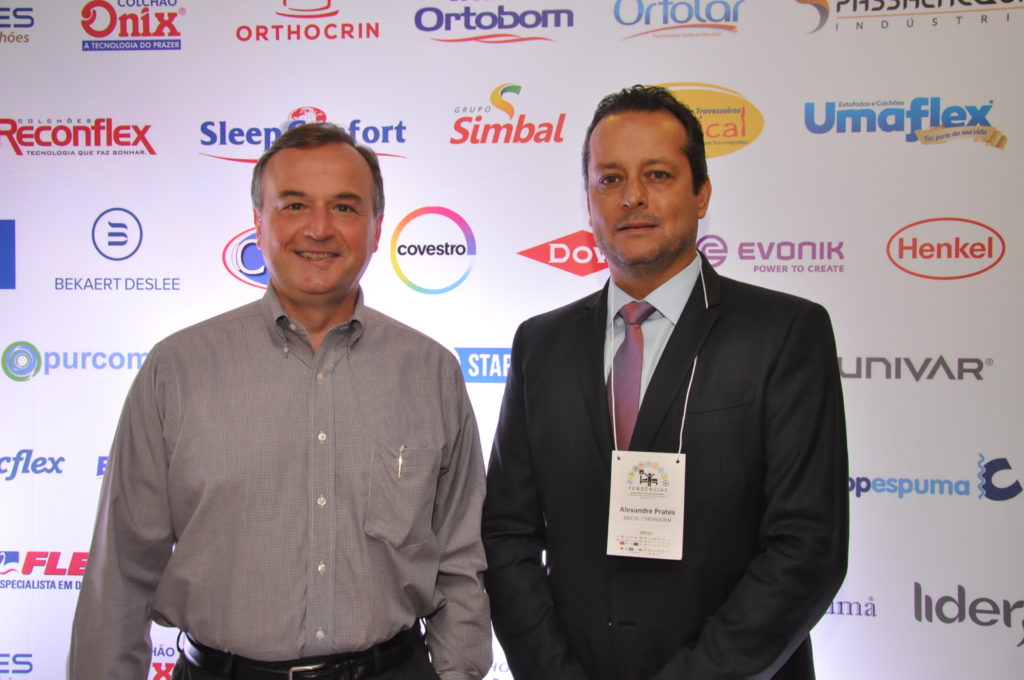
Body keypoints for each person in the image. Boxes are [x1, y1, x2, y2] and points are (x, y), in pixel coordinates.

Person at [69, 122, 492, 680]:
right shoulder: (176, 370)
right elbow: (121, 571)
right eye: (294, 205)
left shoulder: (431, 372)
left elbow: (460, 559)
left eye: (344, 207)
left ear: (376, 227)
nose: (319, 229)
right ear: (258, 222)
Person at [482, 85, 849, 680]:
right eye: (610, 179)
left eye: (657, 174)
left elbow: (807, 548)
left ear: (701, 193)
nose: (632, 197)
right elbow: (506, 535)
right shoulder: (539, 345)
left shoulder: (784, 333)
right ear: (588, 203)